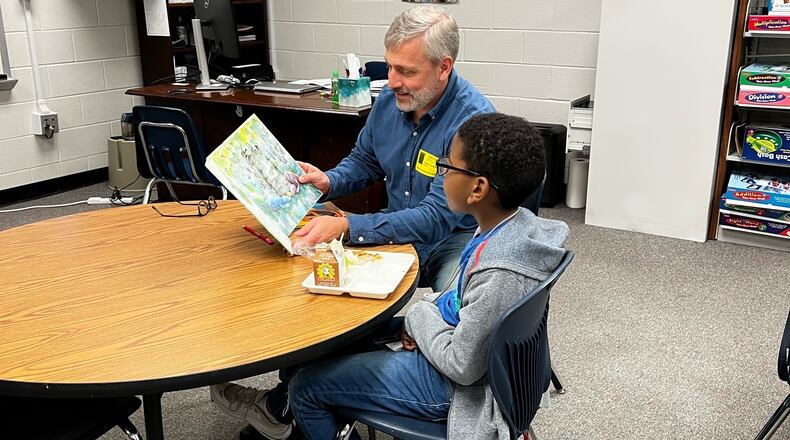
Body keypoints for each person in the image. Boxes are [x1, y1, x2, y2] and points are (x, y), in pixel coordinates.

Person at [211, 113, 570, 440]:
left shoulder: (501, 270)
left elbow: (462, 366)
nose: (440, 173)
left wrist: (419, 319)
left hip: (462, 391)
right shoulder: (506, 227)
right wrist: (425, 321)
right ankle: (285, 412)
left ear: (477, 189)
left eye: (447, 166)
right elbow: (459, 301)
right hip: (462, 347)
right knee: (330, 338)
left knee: (308, 388)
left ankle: (299, 410)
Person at [293, 4, 494, 293]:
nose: (392, 81)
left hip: (453, 238)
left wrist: (350, 226)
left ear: (444, 67)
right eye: (390, 66)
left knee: (454, 305)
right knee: (312, 268)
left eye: (406, 71)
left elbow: (436, 218)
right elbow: (365, 160)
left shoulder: (471, 122)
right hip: (397, 226)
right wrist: (328, 181)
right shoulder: (389, 100)